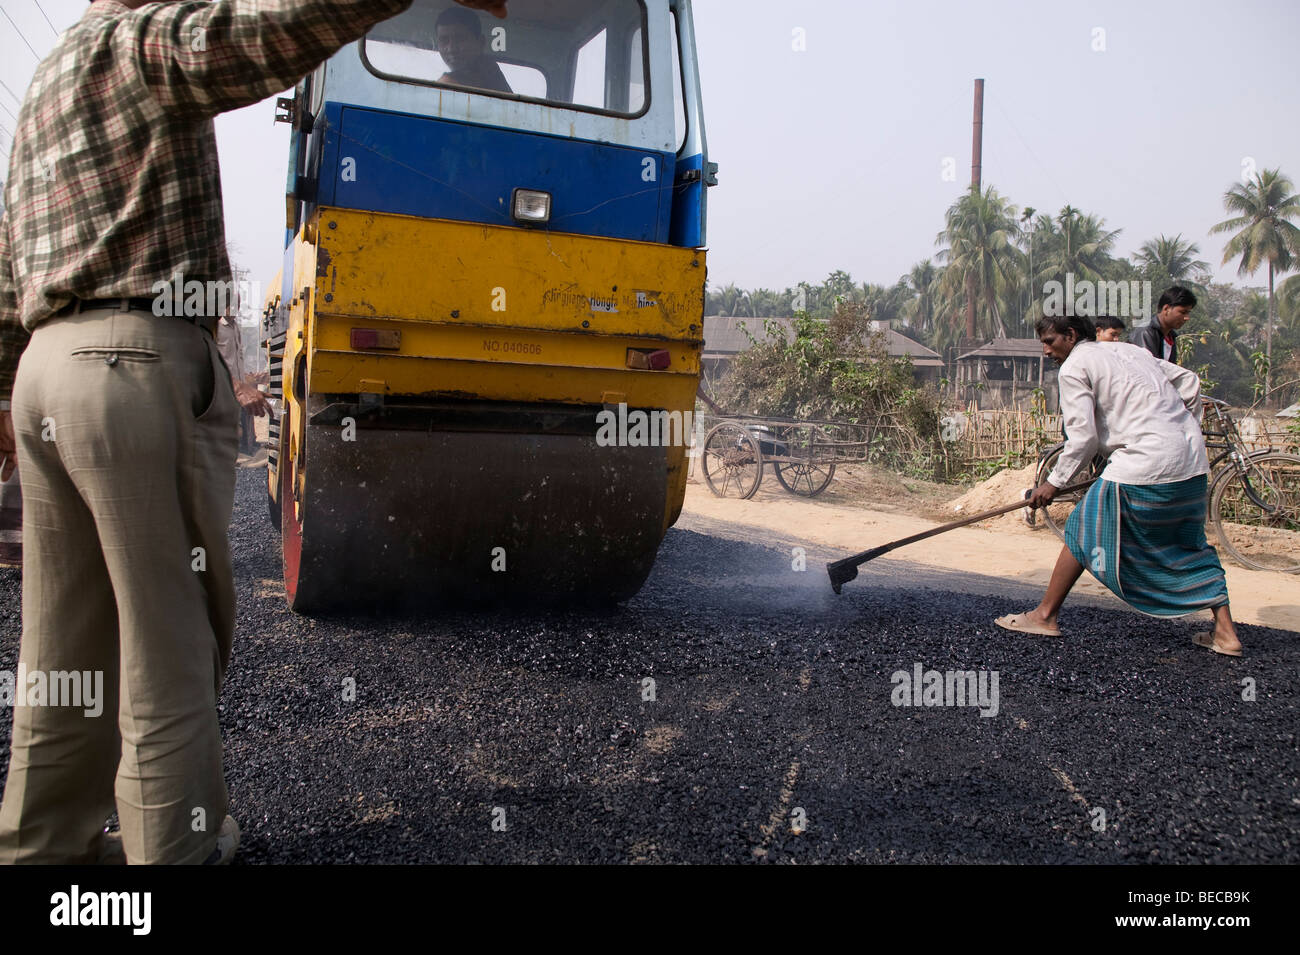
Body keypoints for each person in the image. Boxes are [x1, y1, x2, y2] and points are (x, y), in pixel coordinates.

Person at [0, 0, 524, 866]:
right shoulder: (141, 45)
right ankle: (174, 853)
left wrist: (6, 398)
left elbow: (7, 256)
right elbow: (267, 33)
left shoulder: (45, 86)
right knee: (167, 647)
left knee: (59, 650)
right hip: (133, 367)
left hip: (43, 374)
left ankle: (43, 850)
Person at [996, 312, 1243, 657]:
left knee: (1083, 525)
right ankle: (1225, 634)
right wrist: (1179, 429)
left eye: (1049, 342)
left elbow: (1083, 439)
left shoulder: (1074, 368)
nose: (1045, 351)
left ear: (1070, 335)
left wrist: (1051, 483)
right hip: (1190, 462)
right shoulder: (1129, 351)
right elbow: (1188, 382)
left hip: (1144, 462)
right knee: (1191, 545)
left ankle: (1044, 615)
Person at [215, 306, 271, 455]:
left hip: (237, 387)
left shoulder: (235, 328)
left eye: (235, 306)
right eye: (229, 305)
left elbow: (238, 357)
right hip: (223, 384)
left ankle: (234, 455)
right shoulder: (216, 326)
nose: (232, 309)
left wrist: (243, 383)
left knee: (237, 426)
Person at [435, 5, 513, 93]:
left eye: (460, 39)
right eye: (444, 40)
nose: (451, 49)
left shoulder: (487, 69)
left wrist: (447, 80)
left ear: (480, 42)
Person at [1131, 285, 1196, 363]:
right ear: (1166, 309)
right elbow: (1148, 367)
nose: (1186, 318)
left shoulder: (1171, 337)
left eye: (1188, 313)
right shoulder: (1146, 332)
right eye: (1183, 312)